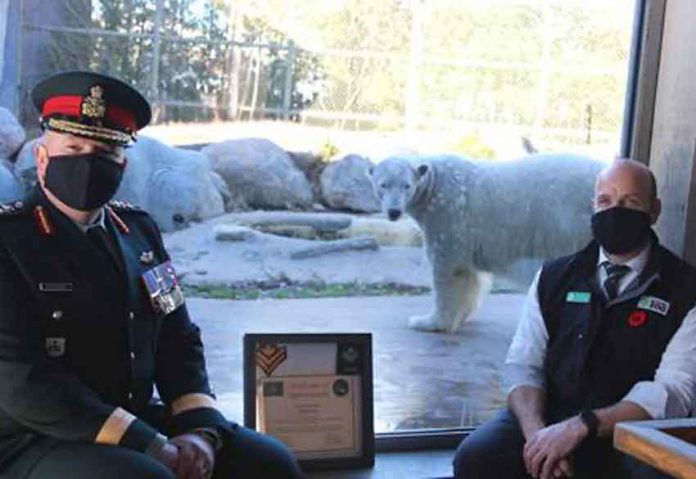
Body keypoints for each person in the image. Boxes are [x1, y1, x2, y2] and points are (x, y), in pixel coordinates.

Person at [0, 71, 304, 479]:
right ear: (41, 158)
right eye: (73, 147)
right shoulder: (10, 241)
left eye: (104, 152)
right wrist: (148, 443)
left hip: (137, 421)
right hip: (38, 438)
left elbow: (177, 339)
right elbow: (24, 382)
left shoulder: (138, 232)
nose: (88, 162)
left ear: (121, 167)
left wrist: (199, 432)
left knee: (270, 464)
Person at [452, 159, 696, 479]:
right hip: (548, 417)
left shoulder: (686, 289)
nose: (614, 211)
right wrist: (537, 436)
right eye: (604, 201)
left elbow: (675, 393)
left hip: (631, 431)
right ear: (592, 207)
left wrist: (583, 426)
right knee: (477, 457)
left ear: (654, 211)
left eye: (630, 202)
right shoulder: (554, 276)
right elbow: (523, 365)